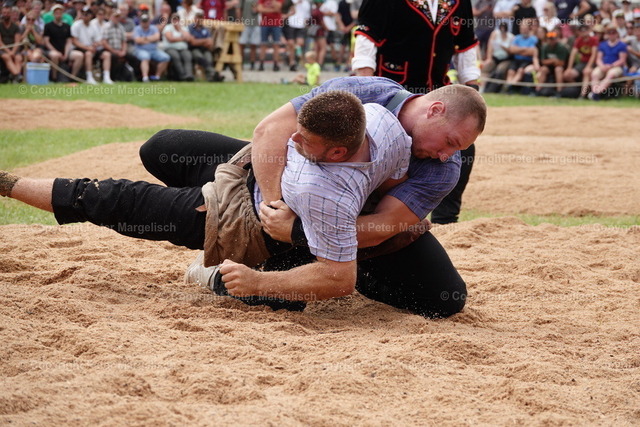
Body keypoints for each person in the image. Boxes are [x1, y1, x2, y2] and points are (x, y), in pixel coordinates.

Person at [0, 91, 415, 311]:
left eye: (304, 140)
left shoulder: (324, 193)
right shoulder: (384, 123)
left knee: (114, 200)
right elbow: (271, 130)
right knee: (161, 147)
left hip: (238, 221)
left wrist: (261, 277)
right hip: (249, 173)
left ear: (338, 153)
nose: (293, 139)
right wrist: (276, 196)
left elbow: (339, 277)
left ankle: (7, 184)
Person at [247, 76, 485, 316]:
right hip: (293, 193)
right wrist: (274, 207)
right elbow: (270, 130)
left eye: (457, 149)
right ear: (435, 110)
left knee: (444, 298)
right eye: (450, 142)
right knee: (277, 304)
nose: (446, 155)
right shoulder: (365, 91)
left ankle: (356, 273)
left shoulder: (444, 169)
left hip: (348, 230)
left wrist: (297, 231)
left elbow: (383, 225)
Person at [352, 0, 481, 225]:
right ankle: (378, 214)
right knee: (391, 153)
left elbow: (466, 46)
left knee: (461, 150)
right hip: (394, 97)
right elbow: (366, 39)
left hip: (440, 96)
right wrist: (369, 89)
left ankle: (445, 221)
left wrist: (472, 91)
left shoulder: (460, 2)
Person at [71, 6, 112, 84]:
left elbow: (97, 40)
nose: (84, 16)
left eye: (86, 14)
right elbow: (75, 41)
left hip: (91, 48)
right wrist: (88, 48)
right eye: (83, 14)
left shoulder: (93, 26)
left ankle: (107, 77)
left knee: (107, 54)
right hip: (79, 48)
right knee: (88, 54)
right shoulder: (76, 25)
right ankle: (89, 77)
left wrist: (94, 45)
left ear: (90, 15)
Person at [588, 24, 628, 100]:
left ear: (617, 34)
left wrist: (611, 66)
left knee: (611, 74)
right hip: (603, 66)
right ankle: (595, 92)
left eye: (613, 33)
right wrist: (602, 66)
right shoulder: (602, 44)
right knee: (594, 74)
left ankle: (596, 94)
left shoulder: (622, 45)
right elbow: (598, 59)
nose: (611, 35)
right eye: (609, 33)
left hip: (616, 67)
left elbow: (622, 60)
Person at [563, 23, 597, 98]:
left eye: (585, 30)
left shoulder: (594, 39)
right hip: (582, 63)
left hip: (593, 63)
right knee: (567, 75)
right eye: (581, 30)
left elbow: (594, 55)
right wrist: (569, 68)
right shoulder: (578, 40)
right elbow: (573, 54)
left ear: (589, 30)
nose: (583, 32)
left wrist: (588, 66)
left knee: (586, 72)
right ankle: (578, 89)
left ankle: (582, 95)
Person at [133, 12, 170, 82]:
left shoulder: (153, 28)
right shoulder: (137, 29)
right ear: (140, 22)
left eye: (146, 21)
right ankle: (145, 78)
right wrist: (151, 39)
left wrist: (144, 39)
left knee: (166, 58)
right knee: (145, 57)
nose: (145, 23)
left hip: (153, 50)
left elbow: (157, 37)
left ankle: (157, 77)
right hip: (141, 50)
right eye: (143, 21)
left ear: (149, 21)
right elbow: (137, 40)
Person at [43, 4, 73, 82]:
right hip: (51, 51)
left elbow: (69, 41)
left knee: (78, 55)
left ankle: (72, 77)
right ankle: (54, 78)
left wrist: (66, 53)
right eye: (56, 13)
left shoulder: (67, 26)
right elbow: (46, 42)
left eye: (60, 12)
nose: (58, 14)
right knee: (55, 55)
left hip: (64, 51)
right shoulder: (48, 26)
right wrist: (55, 51)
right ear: (53, 14)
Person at [535, 30, 568, 96]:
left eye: (553, 39)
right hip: (550, 66)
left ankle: (559, 92)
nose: (551, 41)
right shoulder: (545, 47)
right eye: (549, 39)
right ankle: (538, 90)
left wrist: (552, 61)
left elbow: (562, 63)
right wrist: (553, 60)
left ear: (556, 39)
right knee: (543, 69)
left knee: (558, 69)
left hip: (561, 67)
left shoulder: (561, 47)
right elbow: (543, 61)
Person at [162, 13, 194, 81]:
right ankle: (182, 76)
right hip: (170, 48)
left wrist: (180, 29)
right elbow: (170, 39)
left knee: (187, 56)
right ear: (171, 20)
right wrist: (182, 38)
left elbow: (189, 38)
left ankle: (189, 75)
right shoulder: (168, 27)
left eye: (177, 19)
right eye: (174, 19)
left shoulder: (183, 28)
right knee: (176, 57)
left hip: (183, 49)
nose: (175, 21)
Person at [256, 0, 282, 71]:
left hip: (276, 23)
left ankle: (275, 64)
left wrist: (266, 10)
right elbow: (260, 9)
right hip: (265, 23)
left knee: (276, 44)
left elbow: (278, 8)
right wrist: (273, 10)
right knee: (263, 44)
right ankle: (261, 64)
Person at [1, 2, 23, 83]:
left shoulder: (16, 27)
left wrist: (13, 52)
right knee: (7, 57)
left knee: (19, 58)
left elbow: (17, 41)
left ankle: (14, 76)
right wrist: (9, 52)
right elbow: (0, 42)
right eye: (4, 13)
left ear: (10, 14)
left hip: (14, 48)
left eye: (7, 13)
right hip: (3, 49)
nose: (6, 15)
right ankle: (17, 75)